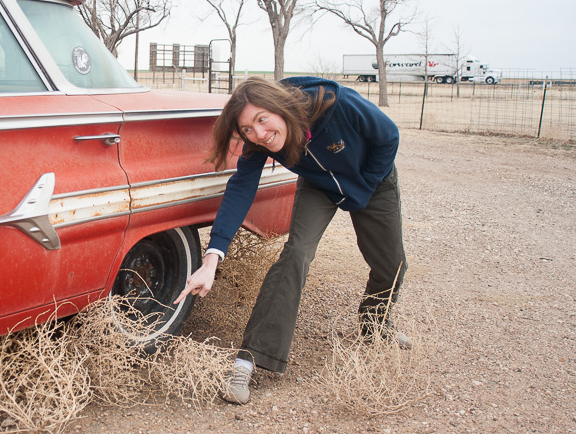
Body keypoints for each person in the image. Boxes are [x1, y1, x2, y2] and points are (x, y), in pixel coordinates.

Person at [174, 76, 410, 405]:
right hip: (319, 186)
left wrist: (363, 188)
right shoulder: (258, 141)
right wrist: (211, 260)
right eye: (247, 129)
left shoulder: (335, 103)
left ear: (278, 107)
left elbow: (388, 136)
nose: (259, 134)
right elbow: (242, 188)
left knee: (392, 263)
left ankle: (376, 324)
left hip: (373, 178)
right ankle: (248, 359)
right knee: (296, 254)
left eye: (262, 119)